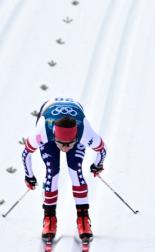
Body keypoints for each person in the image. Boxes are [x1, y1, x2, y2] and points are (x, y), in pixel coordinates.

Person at [22, 97, 107, 243]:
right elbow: (26, 154)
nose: (66, 148)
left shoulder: (85, 132)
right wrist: (29, 176)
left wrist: (97, 165)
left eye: (70, 143)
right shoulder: (42, 132)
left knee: (75, 170)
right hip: (47, 112)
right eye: (62, 144)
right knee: (52, 171)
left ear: (76, 138)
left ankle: (83, 219)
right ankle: (49, 218)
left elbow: (102, 150)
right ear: (55, 138)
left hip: (75, 115)